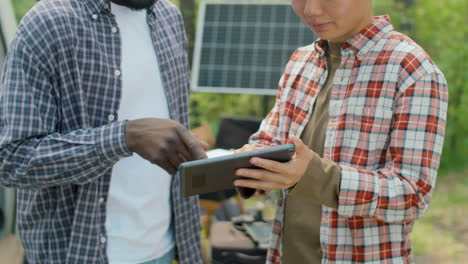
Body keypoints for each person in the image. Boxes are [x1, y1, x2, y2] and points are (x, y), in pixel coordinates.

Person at [233, 0, 448, 263]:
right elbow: (270, 139)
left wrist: (315, 176)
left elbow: (412, 194)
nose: (311, 10)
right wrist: (248, 162)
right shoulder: (300, 62)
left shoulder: (412, 70)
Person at [0, 0, 207, 263]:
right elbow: (13, 159)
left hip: (164, 248)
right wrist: (124, 137)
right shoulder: (48, 22)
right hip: (77, 253)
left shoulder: (169, 18)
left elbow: (164, 129)